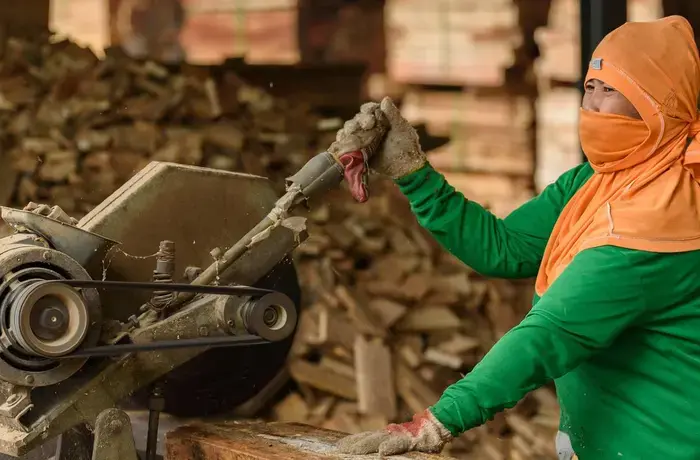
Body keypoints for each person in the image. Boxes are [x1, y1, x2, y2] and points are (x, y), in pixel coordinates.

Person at [327, 16, 700, 459]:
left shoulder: (666, 219)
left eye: (612, 92)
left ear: (660, 105)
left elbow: (550, 334)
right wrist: (414, 175)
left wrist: (434, 423)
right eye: (590, 88)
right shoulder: (600, 178)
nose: (593, 108)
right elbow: (505, 248)